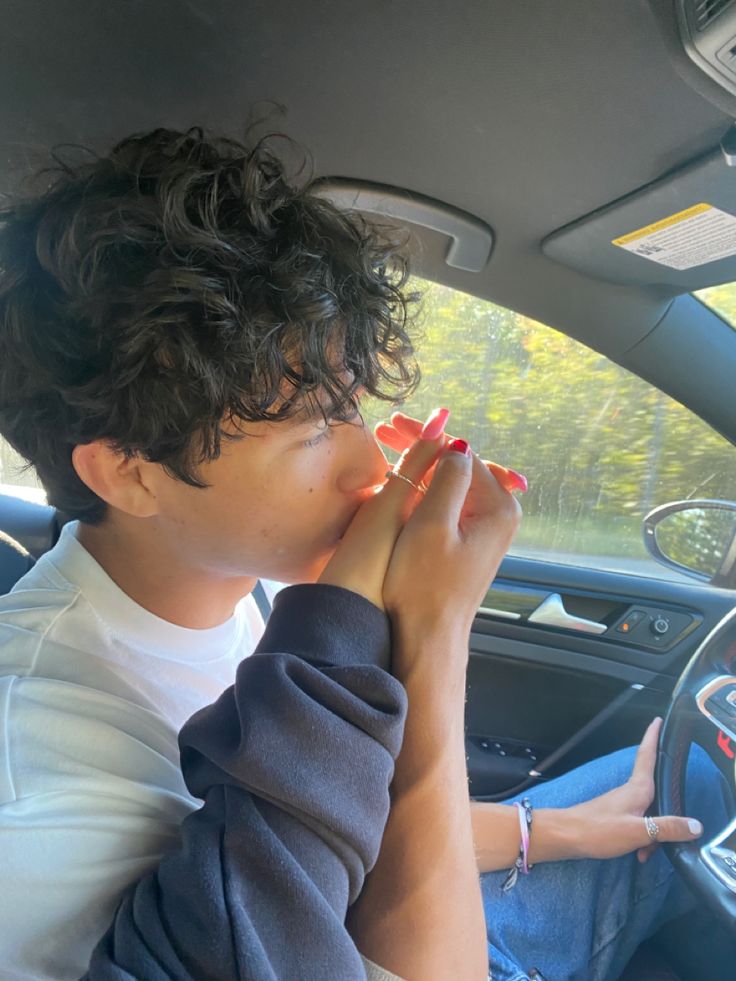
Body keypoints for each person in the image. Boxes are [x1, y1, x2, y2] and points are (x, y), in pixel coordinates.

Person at [0, 125, 723, 980]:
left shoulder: (247, 582)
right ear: (128, 472)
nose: (370, 465)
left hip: (393, 908)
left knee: (699, 785)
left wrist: (555, 829)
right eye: (311, 433)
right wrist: (431, 636)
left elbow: (331, 825)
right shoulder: (38, 785)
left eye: (351, 409)